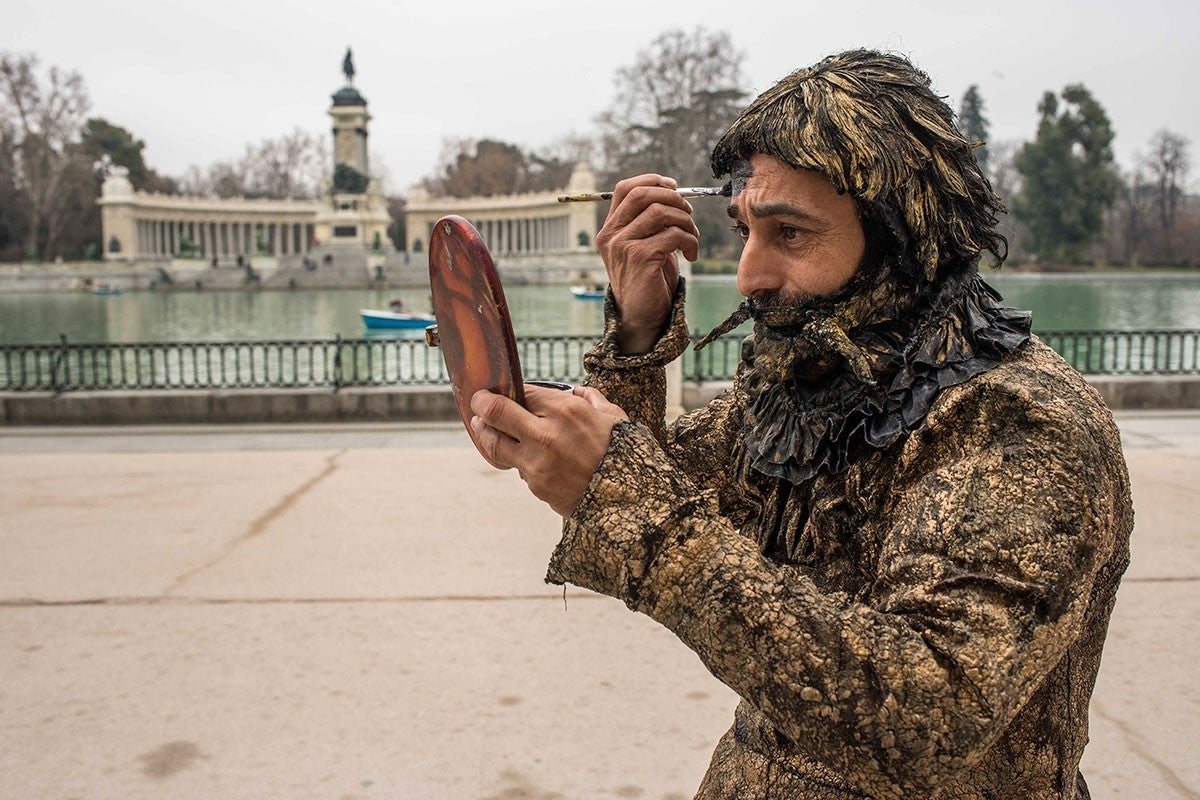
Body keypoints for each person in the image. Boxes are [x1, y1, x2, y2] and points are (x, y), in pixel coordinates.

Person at [468, 49, 1131, 799]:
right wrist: (635, 340)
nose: (749, 275)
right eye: (745, 230)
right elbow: (663, 484)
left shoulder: (1019, 423)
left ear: (902, 237)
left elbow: (926, 716)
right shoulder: (823, 383)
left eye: (790, 234)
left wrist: (623, 490)